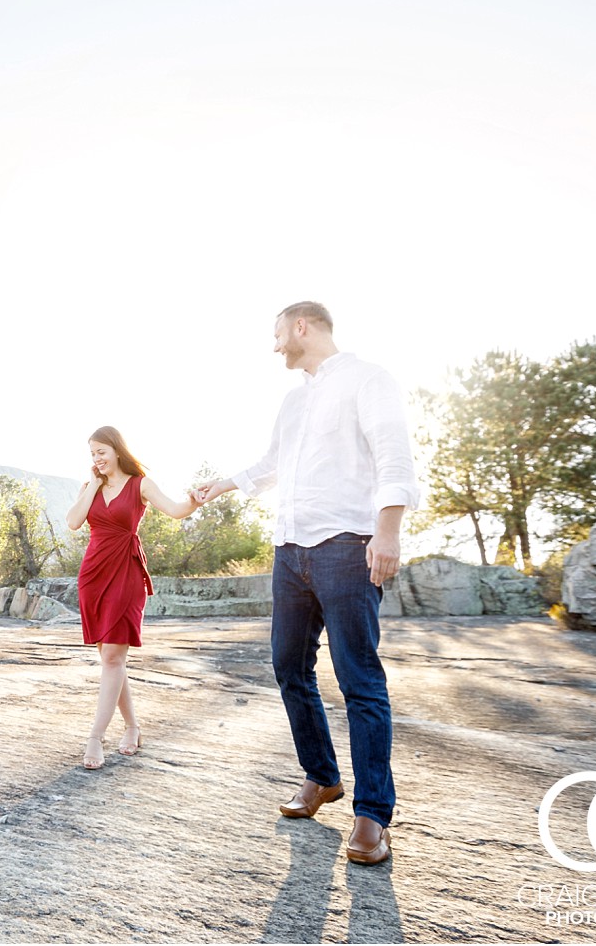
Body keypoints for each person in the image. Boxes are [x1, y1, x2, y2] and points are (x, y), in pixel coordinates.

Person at [191, 301, 418, 865]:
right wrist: (221, 485)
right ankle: (322, 776)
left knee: (358, 677)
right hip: (289, 553)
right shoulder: (294, 400)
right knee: (288, 666)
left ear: (301, 326)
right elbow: (275, 462)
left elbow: (394, 456)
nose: (274, 348)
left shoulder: (369, 379)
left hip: (348, 547)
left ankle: (372, 815)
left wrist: (386, 532)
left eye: (276, 335)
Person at [66, 425, 198, 771]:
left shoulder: (141, 485)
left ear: (116, 450)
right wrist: (93, 484)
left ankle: (96, 736)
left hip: (125, 572)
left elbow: (174, 509)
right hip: (92, 576)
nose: (97, 458)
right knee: (112, 659)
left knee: (112, 656)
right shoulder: (90, 486)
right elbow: (73, 523)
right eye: (92, 454)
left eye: (101, 452)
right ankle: (133, 726)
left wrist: (195, 501)